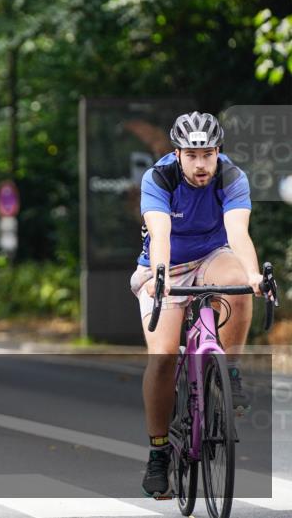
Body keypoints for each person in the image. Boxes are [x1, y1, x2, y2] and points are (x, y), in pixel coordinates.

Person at [132, 111, 264, 498]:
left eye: (207, 153)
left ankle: (231, 371)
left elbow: (238, 233)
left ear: (218, 151)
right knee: (163, 357)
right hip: (166, 263)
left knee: (237, 280)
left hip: (211, 256)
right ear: (177, 154)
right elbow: (160, 234)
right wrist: (160, 277)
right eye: (192, 155)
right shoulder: (158, 178)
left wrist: (254, 275)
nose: (201, 163)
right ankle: (158, 454)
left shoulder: (231, 176)